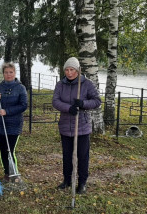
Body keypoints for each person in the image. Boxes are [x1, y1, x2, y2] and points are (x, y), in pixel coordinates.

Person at [52, 57, 101, 194]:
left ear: (78, 70)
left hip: (82, 127)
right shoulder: (60, 85)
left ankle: (82, 183)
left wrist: (83, 104)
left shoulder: (87, 84)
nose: (69, 73)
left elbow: (97, 101)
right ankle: (67, 180)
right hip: (65, 126)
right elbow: (55, 101)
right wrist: (69, 108)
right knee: (67, 156)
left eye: (72, 70)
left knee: (82, 156)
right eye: (67, 70)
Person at [0, 62, 28, 181]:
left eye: (11, 72)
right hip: (0, 124)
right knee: (3, 149)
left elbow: (23, 105)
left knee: (10, 149)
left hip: (14, 124)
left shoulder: (20, 88)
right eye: (6, 72)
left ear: (15, 73)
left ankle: (14, 173)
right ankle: (7, 173)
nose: (8, 74)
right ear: (3, 74)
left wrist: (7, 111)